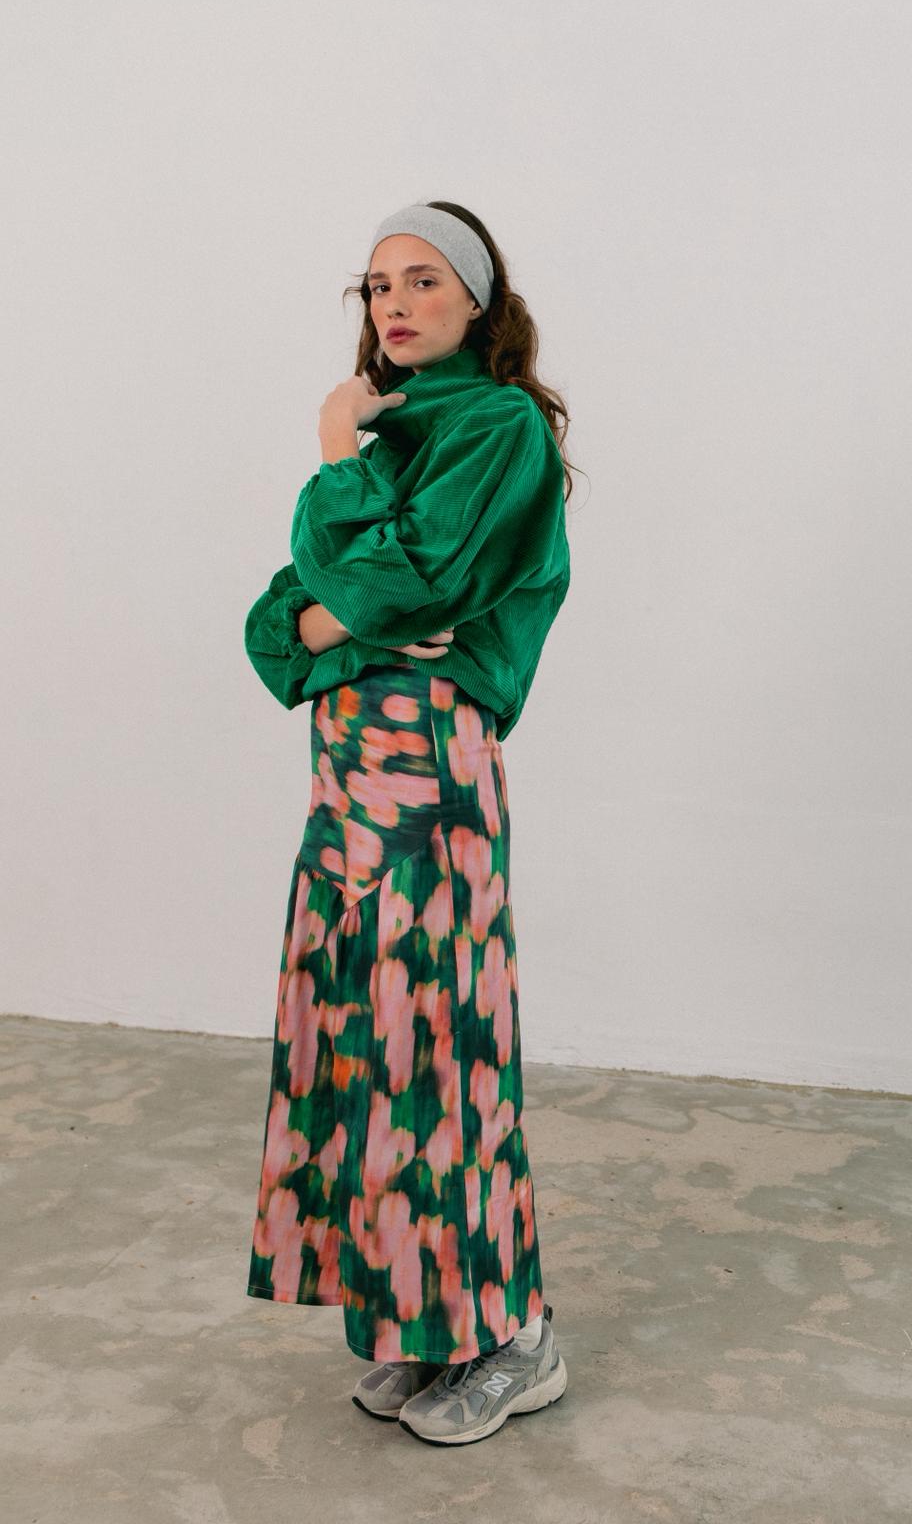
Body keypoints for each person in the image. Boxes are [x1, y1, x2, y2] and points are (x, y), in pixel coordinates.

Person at [243, 200, 577, 1446]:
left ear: (479, 302)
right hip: (345, 788)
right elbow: (275, 627)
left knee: (442, 1052)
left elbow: (410, 579)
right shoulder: (397, 430)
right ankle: (427, 1321)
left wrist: (338, 465)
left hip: (430, 781)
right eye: (378, 283)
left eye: (424, 279)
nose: (394, 301)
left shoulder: (495, 426)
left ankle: (517, 1335)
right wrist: (347, 614)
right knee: (363, 1054)